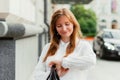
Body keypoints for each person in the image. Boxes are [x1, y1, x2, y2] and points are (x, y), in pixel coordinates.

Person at [33, 8, 96, 80]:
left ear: (73, 24)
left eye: (67, 24)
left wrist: (63, 62)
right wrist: (54, 74)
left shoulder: (83, 46)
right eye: (59, 26)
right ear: (55, 28)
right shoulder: (47, 48)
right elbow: (37, 75)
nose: (64, 29)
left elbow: (91, 61)